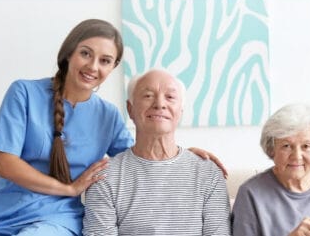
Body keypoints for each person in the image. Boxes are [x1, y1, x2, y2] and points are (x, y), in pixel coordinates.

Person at [0, 20, 225, 236]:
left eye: (105, 60)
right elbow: (6, 164)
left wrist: (183, 155)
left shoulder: (108, 115)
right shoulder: (24, 92)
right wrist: (68, 189)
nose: (93, 66)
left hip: (59, 220)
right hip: (5, 212)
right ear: (69, 53)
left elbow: (143, 156)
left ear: (113, 67)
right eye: (86, 54)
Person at [82, 69, 231, 236]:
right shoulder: (104, 177)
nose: (160, 104)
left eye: (170, 97)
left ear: (181, 111)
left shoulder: (208, 173)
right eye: (148, 96)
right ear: (130, 109)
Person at [231, 103, 310, 236]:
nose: (297, 156)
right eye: (286, 146)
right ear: (272, 149)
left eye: (306, 146)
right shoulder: (250, 193)